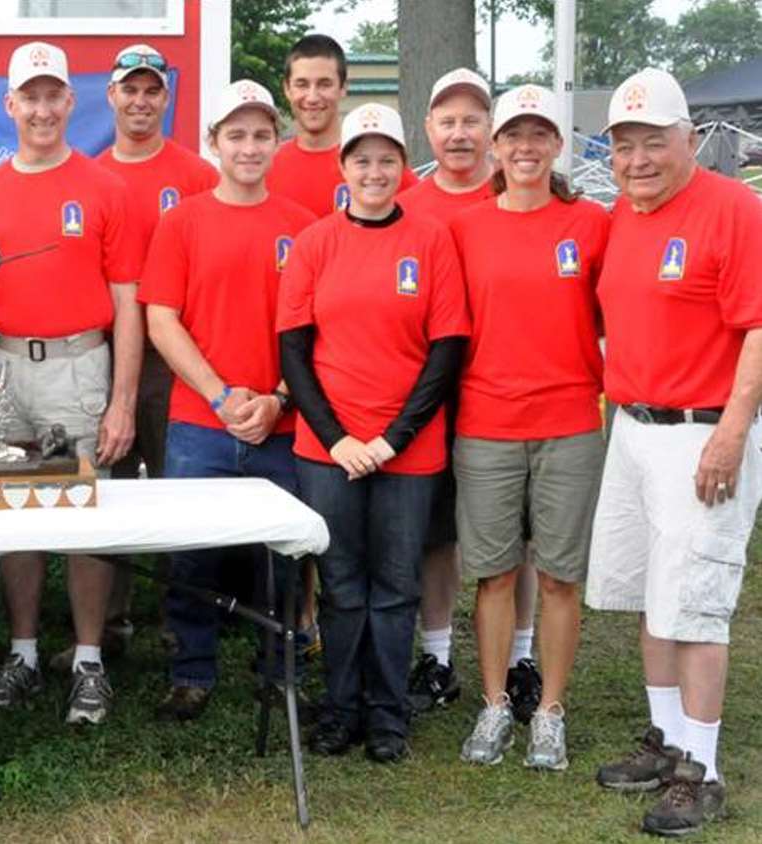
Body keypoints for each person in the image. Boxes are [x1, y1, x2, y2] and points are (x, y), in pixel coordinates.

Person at [585, 68, 762, 837]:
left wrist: (732, 429)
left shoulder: (734, 209)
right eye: (624, 145)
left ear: (690, 139)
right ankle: (665, 743)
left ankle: (704, 769)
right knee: (654, 599)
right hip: (633, 428)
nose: (637, 159)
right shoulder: (623, 216)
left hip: (703, 432)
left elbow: (759, 328)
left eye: (653, 141)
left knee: (696, 611)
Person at [277, 103, 469, 763]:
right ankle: (340, 709)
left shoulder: (431, 240)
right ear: (344, 167)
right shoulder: (314, 243)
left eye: (387, 158)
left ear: (401, 165)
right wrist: (338, 440)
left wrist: (393, 438)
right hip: (329, 451)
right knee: (342, 582)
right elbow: (295, 352)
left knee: (396, 586)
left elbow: (446, 350)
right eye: (362, 159)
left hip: (408, 450)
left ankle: (388, 716)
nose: (375, 170)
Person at [0, 41, 143, 726]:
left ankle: (90, 659)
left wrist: (122, 399)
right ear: (10, 105)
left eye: (53, 94)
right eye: (29, 96)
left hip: (80, 362)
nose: (41, 108)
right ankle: (24, 651)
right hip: (4, 363)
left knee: (83, 512)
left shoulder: (105, 187)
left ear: (71, 101)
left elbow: (128, 300)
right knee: (16, 511)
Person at [140, 80, 315, 720]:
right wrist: (221, 398)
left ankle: (279, 667)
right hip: (200, 421)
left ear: (277, 141)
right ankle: (191, 670)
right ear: (213, 143)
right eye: (235, 135)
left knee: (283, 558)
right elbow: (163, 320)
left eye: (261, 134)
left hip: (281, 421)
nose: (249, 146)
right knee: (193, 554)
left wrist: (273, 399)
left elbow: (313, 329)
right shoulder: (182, 220)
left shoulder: (304, 226)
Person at [449, 84, 609, 770]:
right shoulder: (465, 228)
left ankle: (550, 712)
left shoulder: (592, 225)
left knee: (560, 579)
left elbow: (616, 313)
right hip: (486, 422)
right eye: (513, 134)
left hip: (570, 421)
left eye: (538, 134)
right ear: (495, 144)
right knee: (491, 575)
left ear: (556, 145)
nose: (524, 146)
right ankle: (493, 707)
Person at [396, 68, 540, 720]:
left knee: (517, 538)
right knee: (435, 536)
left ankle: (522, 658)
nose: (459, 134)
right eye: (447, 121)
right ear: (429, 129)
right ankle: (437, 657)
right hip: (430, 394)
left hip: (510, 393)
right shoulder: (405, 203)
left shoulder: (526, 194)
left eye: (472, 121)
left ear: (492, 131)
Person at [78, 43, 218, 671]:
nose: (140, 101)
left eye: (151, 90)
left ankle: (178, 622)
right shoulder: (90, 175)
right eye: (128, 89)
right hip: (99, 352)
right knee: (108, 491)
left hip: (174, 358)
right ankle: (109, 621)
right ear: (109, 96)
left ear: (167, 97)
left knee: (171, 490)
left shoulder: (195, 176)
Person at [267, 33, 417, 220]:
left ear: (343, 87)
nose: (312, 97)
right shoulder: (267, 168)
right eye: (302, 84)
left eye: (324, 84)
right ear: (287, 89)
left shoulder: (378, 167)